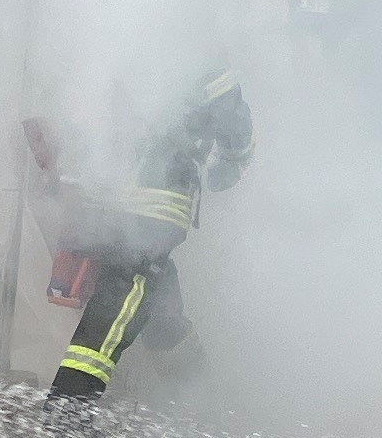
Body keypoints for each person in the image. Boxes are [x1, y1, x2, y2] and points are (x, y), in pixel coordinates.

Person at [40, 55, 250, 403]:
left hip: (104, 194)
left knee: (161, 308)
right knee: (125, 294)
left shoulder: (121, 19)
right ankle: (68, 413)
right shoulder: (201, 48)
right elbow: (233, 116)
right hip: (150, 210)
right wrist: (233, 161)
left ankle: (201, 401)